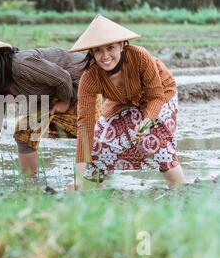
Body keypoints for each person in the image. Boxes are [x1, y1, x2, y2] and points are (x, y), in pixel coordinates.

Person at [0, 36, 101, 179]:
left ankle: (95, 177)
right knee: (24, 130)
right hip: (50, 94)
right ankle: (30, 183)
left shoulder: (22, 64)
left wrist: (65, 102)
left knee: (94, 132)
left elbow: (63, 78)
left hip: (81, 82)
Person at [69, 15, 186, 190]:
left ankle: (180, 189)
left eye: (110, 48)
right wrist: (79, 176)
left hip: (161, 92)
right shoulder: (90, 78)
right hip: (122, 101)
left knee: (155, 137)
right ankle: (90, 187)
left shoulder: (139, 56)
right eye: (98, 50)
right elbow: (85, 125)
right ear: (92, 52)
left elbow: (156, 96)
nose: (105, 56)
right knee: (100, 141)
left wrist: (146, 123)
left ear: (122, 44)